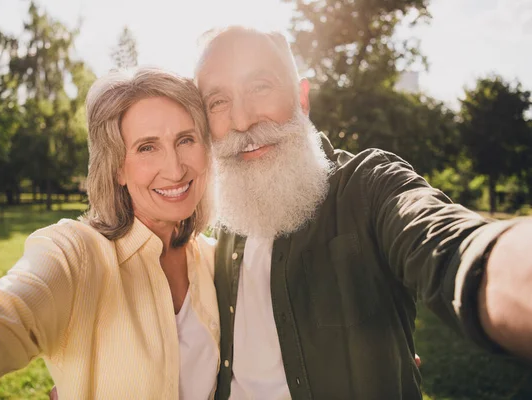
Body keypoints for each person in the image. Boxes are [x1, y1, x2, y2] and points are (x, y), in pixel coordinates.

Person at [194, 26, 532, 399]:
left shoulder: (368, 187)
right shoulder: (223, 230)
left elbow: (451, 245)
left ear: (302, 99)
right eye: (217, 102)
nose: (242, 121)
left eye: (259, 86)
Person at [0, 68, 220, 400]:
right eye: (146, 148)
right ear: (117, 168)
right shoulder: (78, 254)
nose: (174, 169)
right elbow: (2, 314)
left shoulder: (214, 260)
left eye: (185, 139)